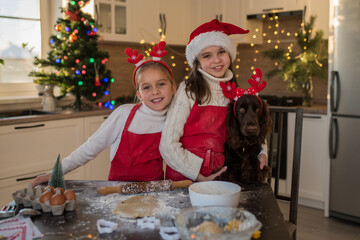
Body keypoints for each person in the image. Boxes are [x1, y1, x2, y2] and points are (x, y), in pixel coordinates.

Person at [33, 41, 177, 186]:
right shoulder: (123, 114)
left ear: (173, 88)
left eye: (161, 84)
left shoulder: (175, 119)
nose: (155, 91)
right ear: (139, 95)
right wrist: (55, 172)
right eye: (147, 87)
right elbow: (90, 148)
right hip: (117, 192)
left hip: (155, 193)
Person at [159, 19, 267, 182]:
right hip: (184, 178)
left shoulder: (234, 93)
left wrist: (262, 152)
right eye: (207, 55)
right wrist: (198, 175)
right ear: (198, 63)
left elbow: (251, 127)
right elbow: (167, 145)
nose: (216, 60)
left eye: (221, 52)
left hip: (220, 173)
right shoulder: (188, 91)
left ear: (229, 54)